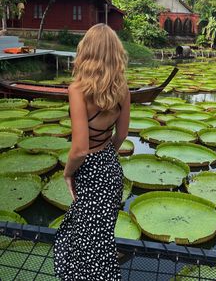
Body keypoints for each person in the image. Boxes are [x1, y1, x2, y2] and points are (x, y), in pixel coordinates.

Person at [54, 23, 130, 280]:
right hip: (110, 171)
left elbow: (80, 149)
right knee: (100, 241)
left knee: (85, 245)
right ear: (115, 54)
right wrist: (107, 155)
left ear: (86, 52)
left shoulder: (77, 90)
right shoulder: (122, 90)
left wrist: (67, 173)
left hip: (88, 174)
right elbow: (121, 135)